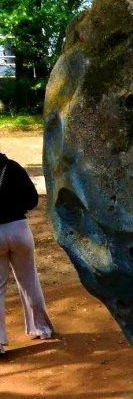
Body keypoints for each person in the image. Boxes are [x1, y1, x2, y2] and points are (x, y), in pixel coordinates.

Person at [0, 152, 55, 355]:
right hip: (19, 229)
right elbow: (32, 200)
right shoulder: (13, 167)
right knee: (29, 281)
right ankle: (42, 329)